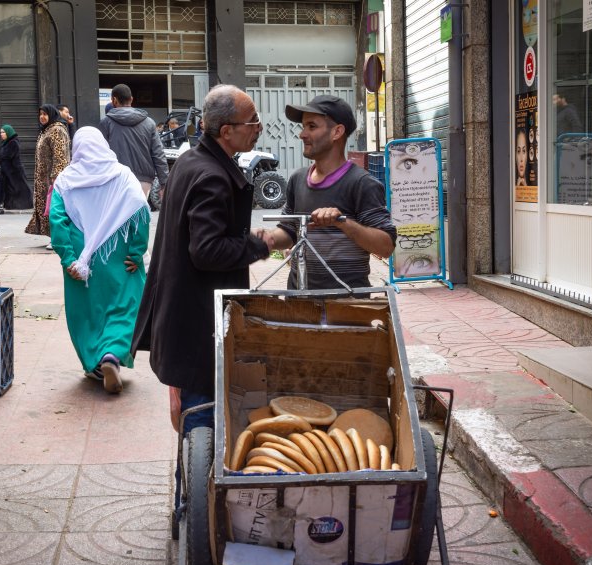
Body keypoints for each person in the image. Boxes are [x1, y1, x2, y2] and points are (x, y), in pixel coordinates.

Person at [131, 84, 271, 512]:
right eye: (252, 122)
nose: (259, 129)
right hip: (198, 323)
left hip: (183, 312)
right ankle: (197, 517)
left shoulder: (193, 162)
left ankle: (187, 503)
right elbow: (207, 251)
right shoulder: (210, 174)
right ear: (226, 130)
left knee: (196, 422)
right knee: (202, 422)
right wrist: (262, 243)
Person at [49, 127, 150, 393]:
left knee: (86, 312)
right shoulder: (123, 175)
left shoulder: (65, 179)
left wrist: (68, 258)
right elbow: (141, 211)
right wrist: (136, 252)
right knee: (125, 304)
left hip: (81, 255)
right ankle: (112, 355)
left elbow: (57, 222)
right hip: (117, 252)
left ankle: (95, 362)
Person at [260, 95, 395, 290]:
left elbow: (386, 246)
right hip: (298, 302)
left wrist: (343, 223)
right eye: (303, 126)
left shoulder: (362, 183)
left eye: (312, 126)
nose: (302, 134)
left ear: (337, 132)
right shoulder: (297, 179)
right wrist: (268, 239)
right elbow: (290, 232)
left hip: (346, 307)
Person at [98, 83, 169, 202]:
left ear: (114, 100)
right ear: (131, 99)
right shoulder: (149, 122)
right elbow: (158, 154)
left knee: (118, 218)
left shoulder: (106, 123)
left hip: (115, 179)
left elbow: (99, 154)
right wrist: (164, 184)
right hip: (143, 180)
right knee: (139, 217)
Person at [25, 104, 71, 242]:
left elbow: (60, 155)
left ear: (51, 114)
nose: (42, 117)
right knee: (47, 207)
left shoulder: (56, 130)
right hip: (43, 178)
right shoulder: (46, 130)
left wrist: (55, 176)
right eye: (40, 114)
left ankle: (57, 238)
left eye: (45, 114)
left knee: (54, 208)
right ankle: (53, 237)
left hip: (52, 178)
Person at [0, 124, 33, 213]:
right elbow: (3, 155)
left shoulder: (13, 142)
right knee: (3, 189)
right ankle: (0, 206)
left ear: (8, 132)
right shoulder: (5, 142)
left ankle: (25, 205)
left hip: (14, 171)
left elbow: (8, 155)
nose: (1, 134)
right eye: (1, 132)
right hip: (6, 171)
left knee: (20, 189)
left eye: (3, 132)